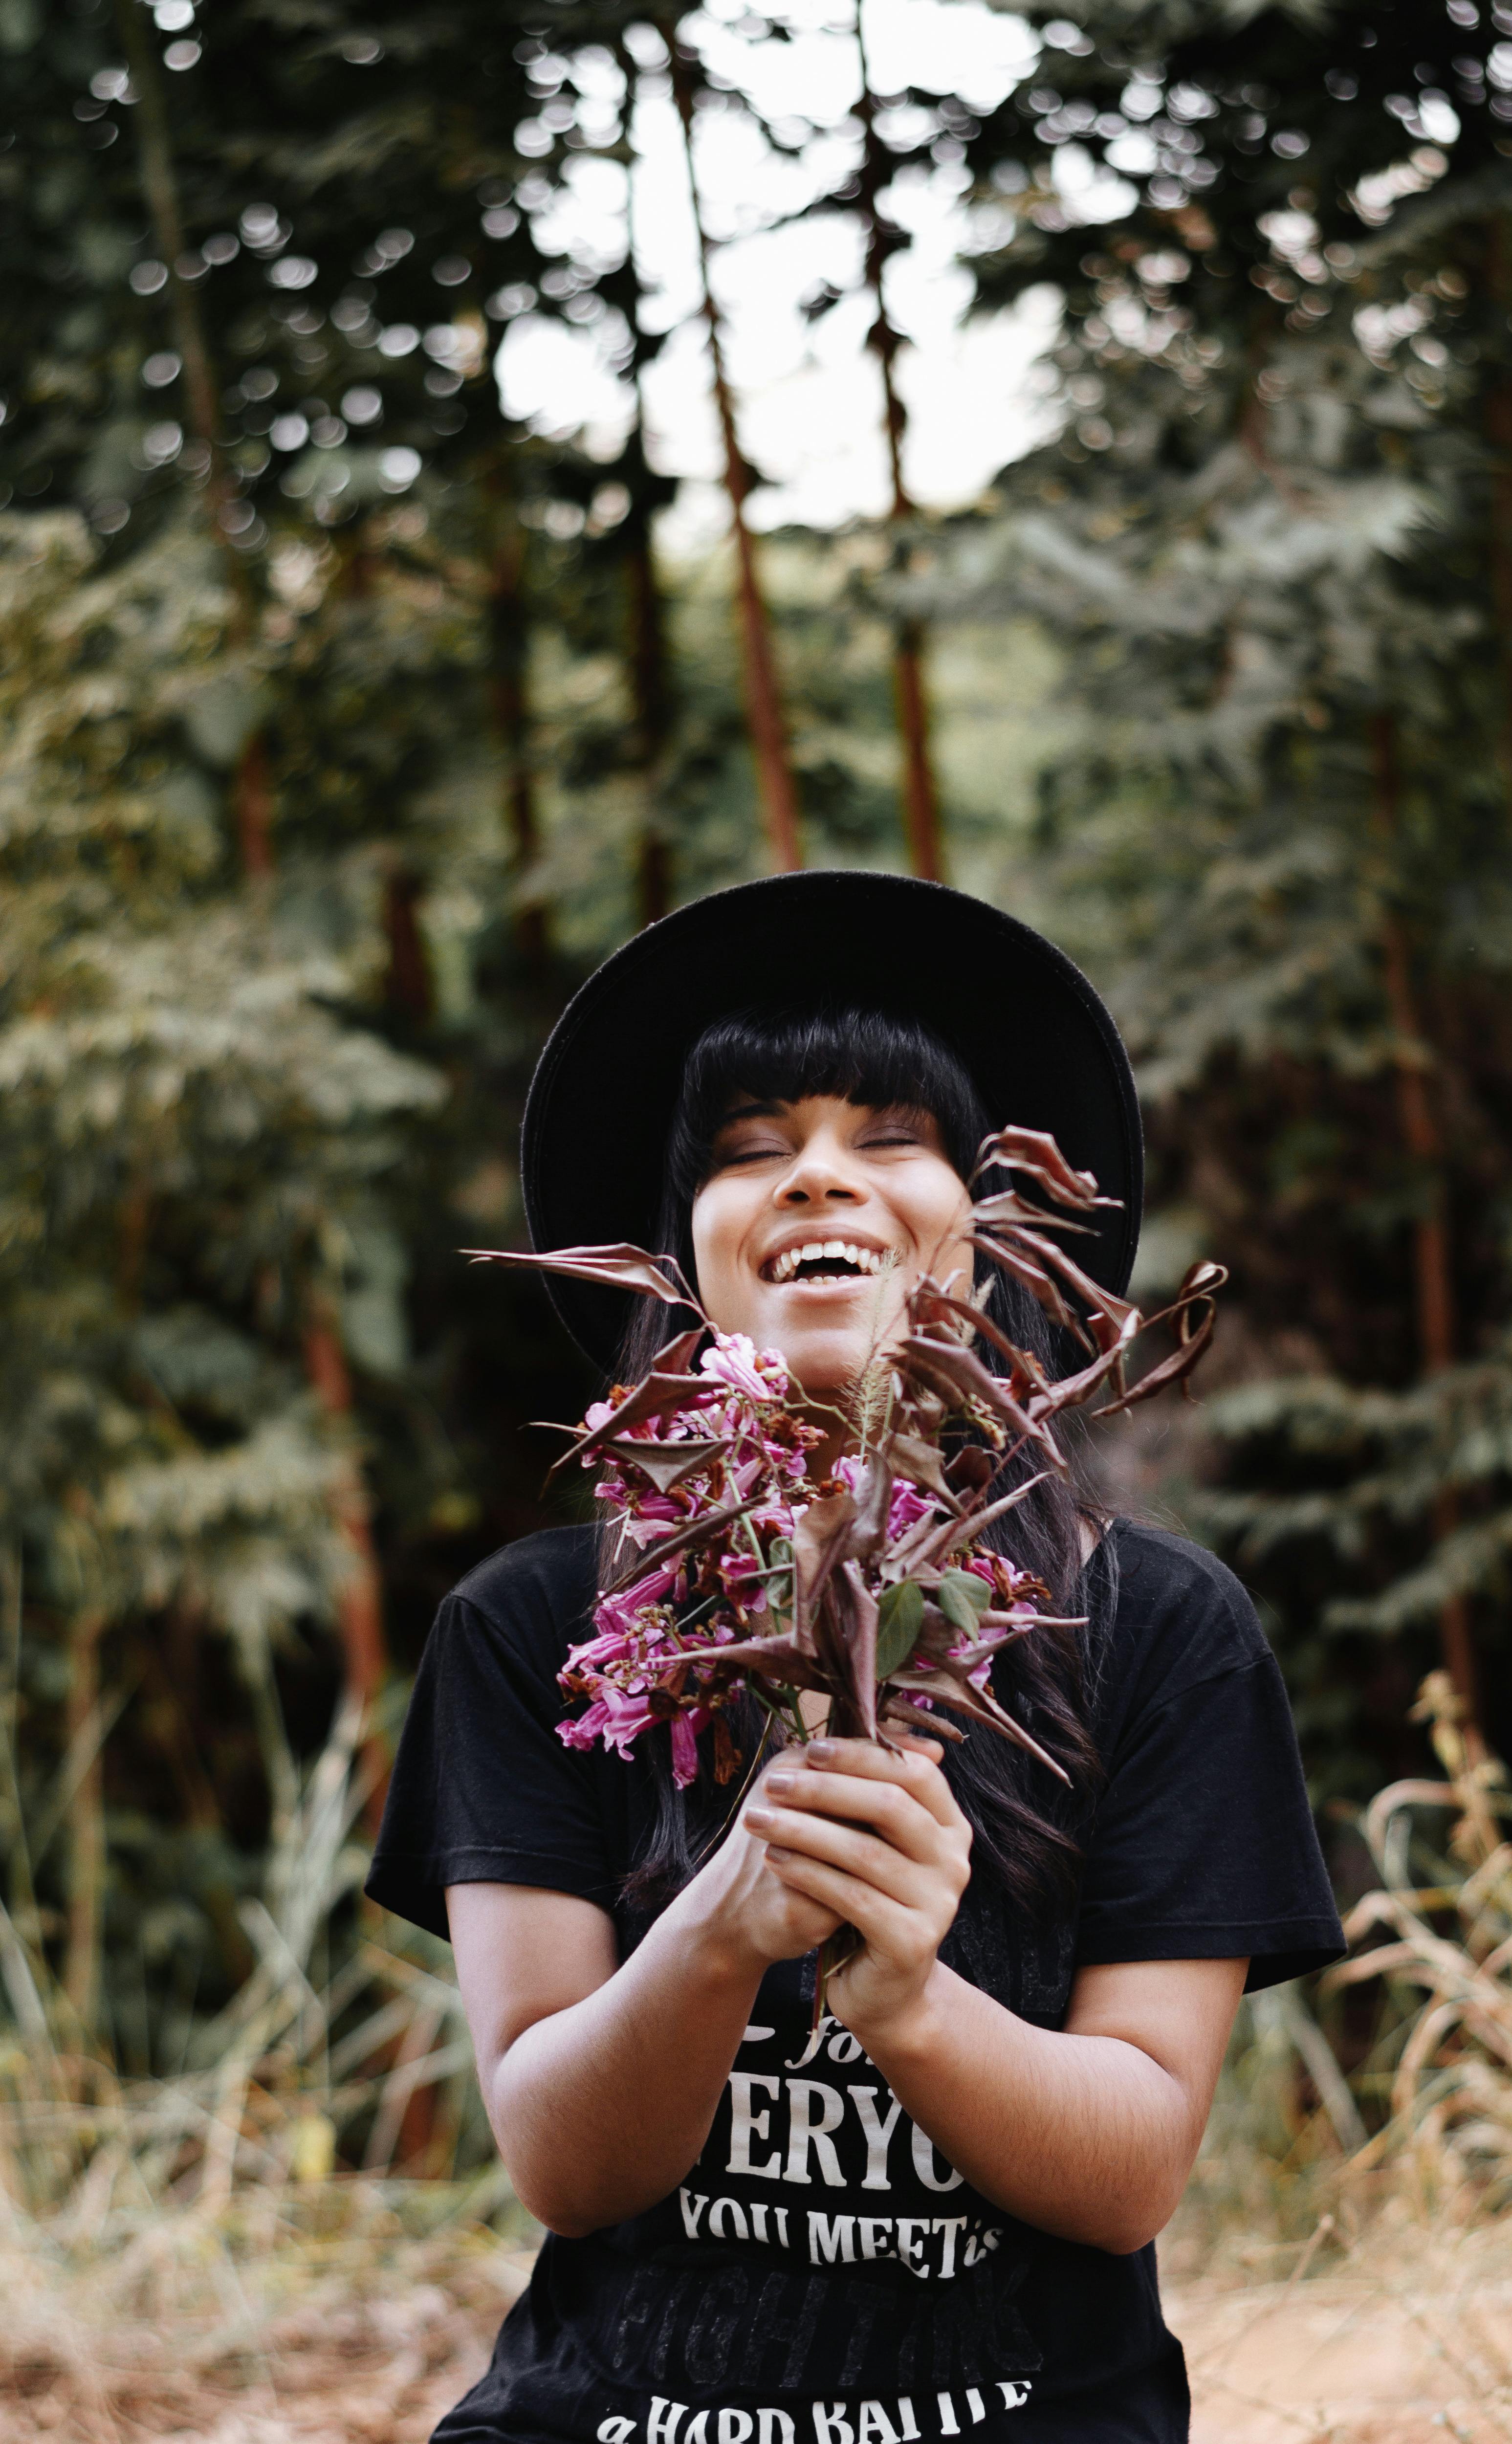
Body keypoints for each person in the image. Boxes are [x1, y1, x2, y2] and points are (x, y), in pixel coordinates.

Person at [367, 871, 1345, 2444]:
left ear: (995, 1234)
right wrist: (716, 1931)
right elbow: (561, 2162)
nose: (819, 1178)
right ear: (678, 1262)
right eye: (749, 1152)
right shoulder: (531, 1634)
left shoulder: (1157, 1632)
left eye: (891, 1138)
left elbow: (1131, 2172)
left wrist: (910, 2007)